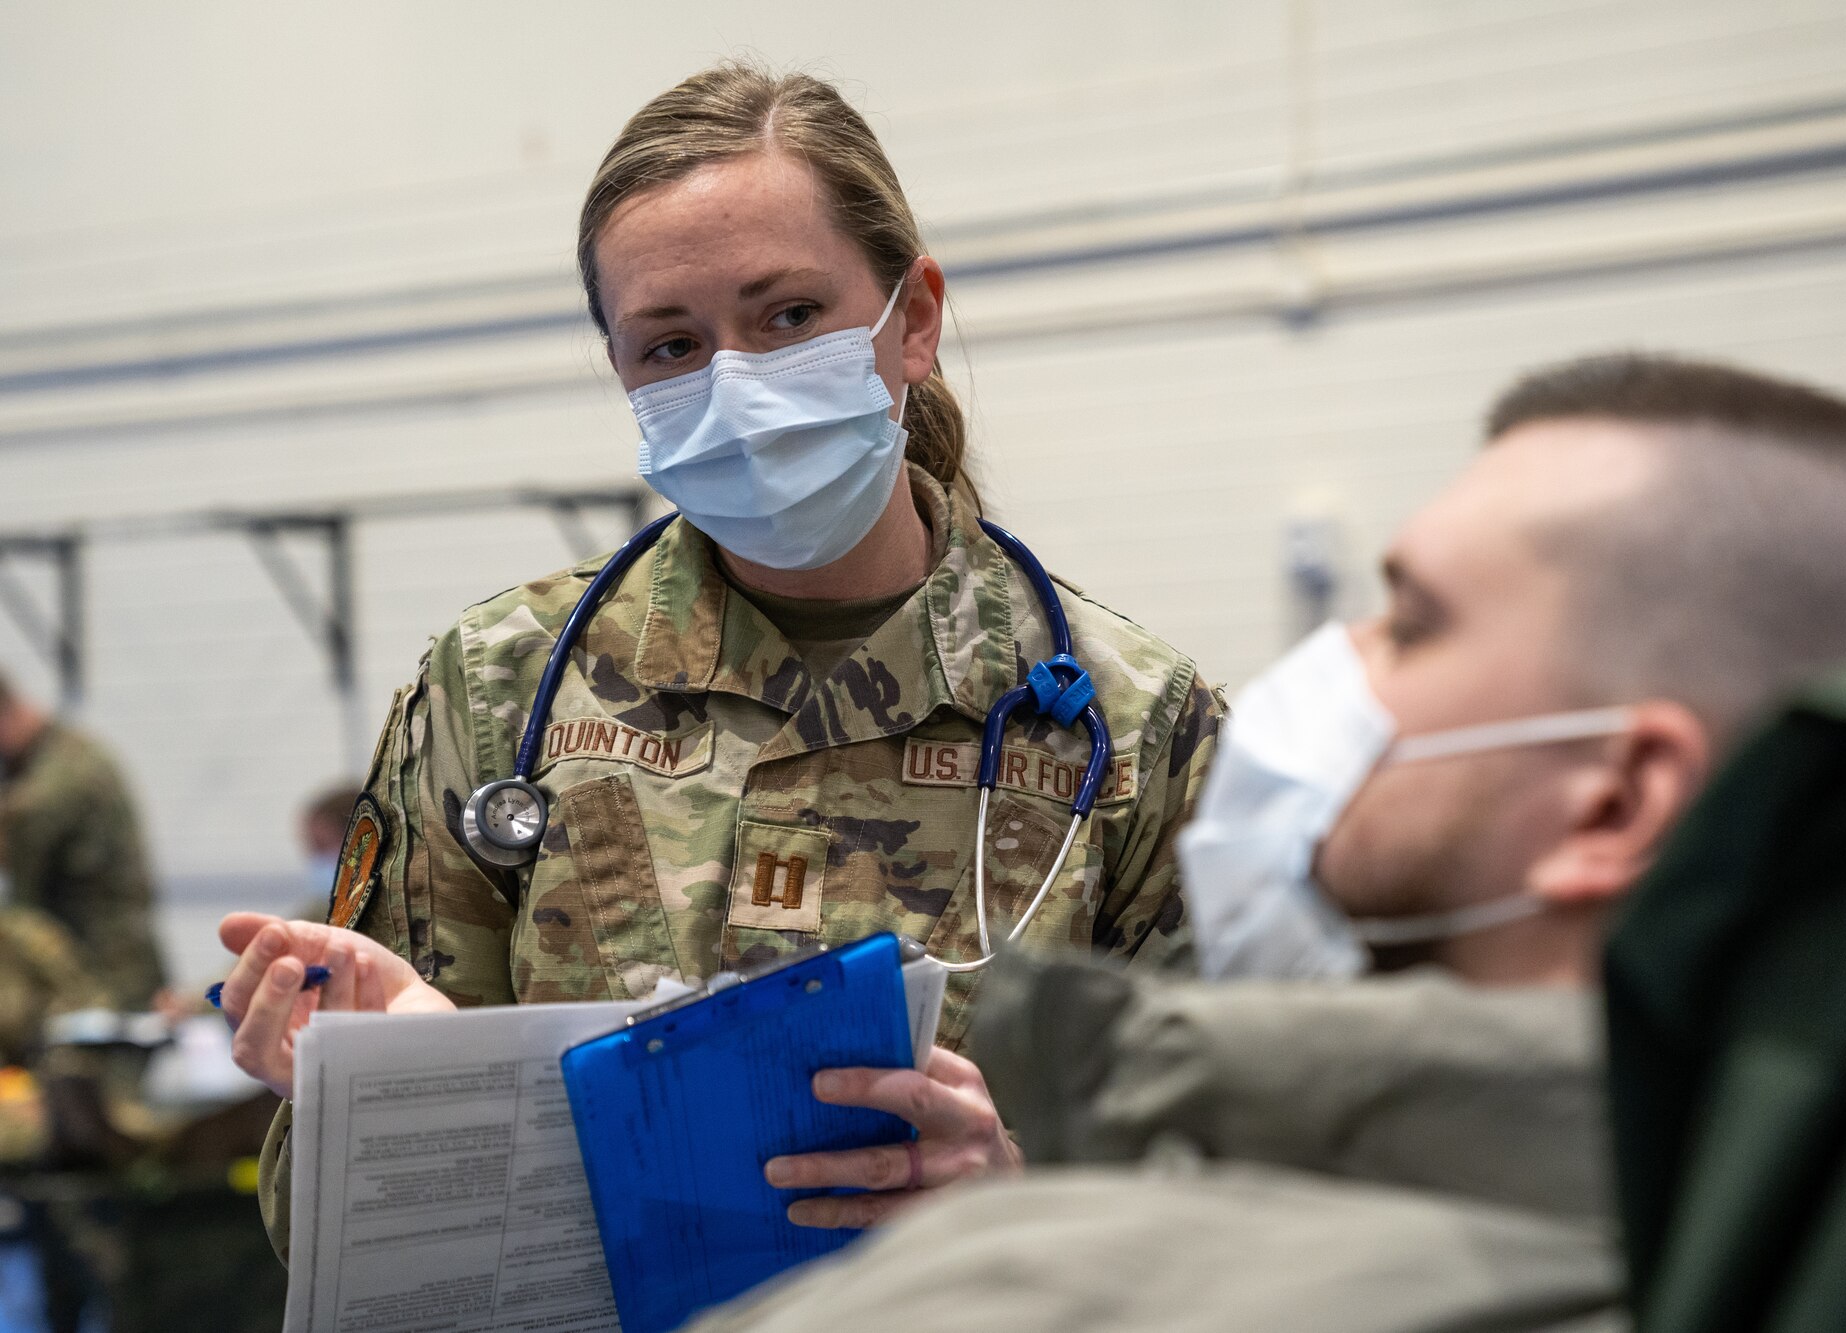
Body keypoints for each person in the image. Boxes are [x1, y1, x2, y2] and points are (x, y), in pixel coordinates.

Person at [678, 353, 1846, 1333]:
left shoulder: (1031, 1296)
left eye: (1411, 623)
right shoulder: (1842, 1252)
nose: (1335, 669)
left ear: (1615, 803)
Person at [219, 62, 1222, 1257]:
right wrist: (377, 1094)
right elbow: (325, 1227)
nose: (735, 384)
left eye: (789, 316)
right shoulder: (496, 694)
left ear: (913, 319)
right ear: (622, 374)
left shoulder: (1129, 726)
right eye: (671, 345)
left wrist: (1016, 1188)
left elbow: (1243, 1195)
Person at [0, 672, 165, 1013]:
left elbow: (22, 915)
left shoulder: (52, 786)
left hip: (98, 984)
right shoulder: (68, 755)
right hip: (105, 974)